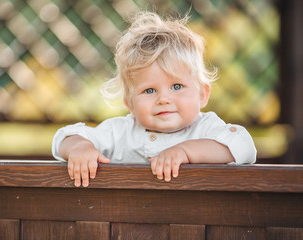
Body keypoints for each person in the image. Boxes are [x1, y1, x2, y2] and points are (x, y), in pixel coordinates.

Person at [52, 12, 257, 187]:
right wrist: (80, 148)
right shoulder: (121, 131)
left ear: (202, 94)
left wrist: (185, 151)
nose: (163, 99)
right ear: (130, 104)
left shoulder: (205, 128)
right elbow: (65, 137)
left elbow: (244, 146)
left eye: (177, 87)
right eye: (149, 91)